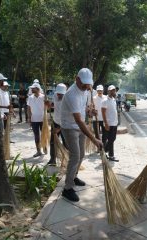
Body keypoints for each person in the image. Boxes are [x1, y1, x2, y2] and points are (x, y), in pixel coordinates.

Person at [60, 68, 103, 202]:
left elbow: (82, 110)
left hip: (80, 126)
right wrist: (94, 139)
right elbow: (78, 120)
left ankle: (74, 176)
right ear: (76, 79)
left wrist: (90, 112)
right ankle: (67, 188)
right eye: (84, 83)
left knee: (82, 154)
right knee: (75, 155)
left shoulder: (85, 91)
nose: (86, 86)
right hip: (70, 127)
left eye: (88, 83)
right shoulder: (71, 94)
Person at [47, 83, 67, 166]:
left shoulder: (67, 100)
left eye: (61, 94)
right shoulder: (55, 95)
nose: (59, 95)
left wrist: (60, 128)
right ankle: (52, 159)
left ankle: (65, 159)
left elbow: (67, 116)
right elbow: (53, 105)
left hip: (64, 124)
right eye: (58, 93)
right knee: (52, 141)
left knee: (66, 143)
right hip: (55, 121)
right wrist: (49, 105)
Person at [27, 83, 46, 157]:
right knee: (36, 136)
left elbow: (48, 106)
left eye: (33, 88)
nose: (31, 89)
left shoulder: (43, 97)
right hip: (34, 119)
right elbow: (28, 108)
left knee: (44, 134)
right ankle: (38, 151)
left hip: (42, 119)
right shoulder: (30, 97)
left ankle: (44, 147)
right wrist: (29, 117)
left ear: (37, 89)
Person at [101, 85, 119, 162]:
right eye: (111, 90)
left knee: (113, 139)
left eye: (114, 90)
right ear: (108, 91)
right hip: (109, 123)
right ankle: (111, 155)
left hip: (114, 123)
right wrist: (106, 123)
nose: (113, 92)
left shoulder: (114, 100)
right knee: (111, 140)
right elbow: (103, 112)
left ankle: (104, 150)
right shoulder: (105, 100)